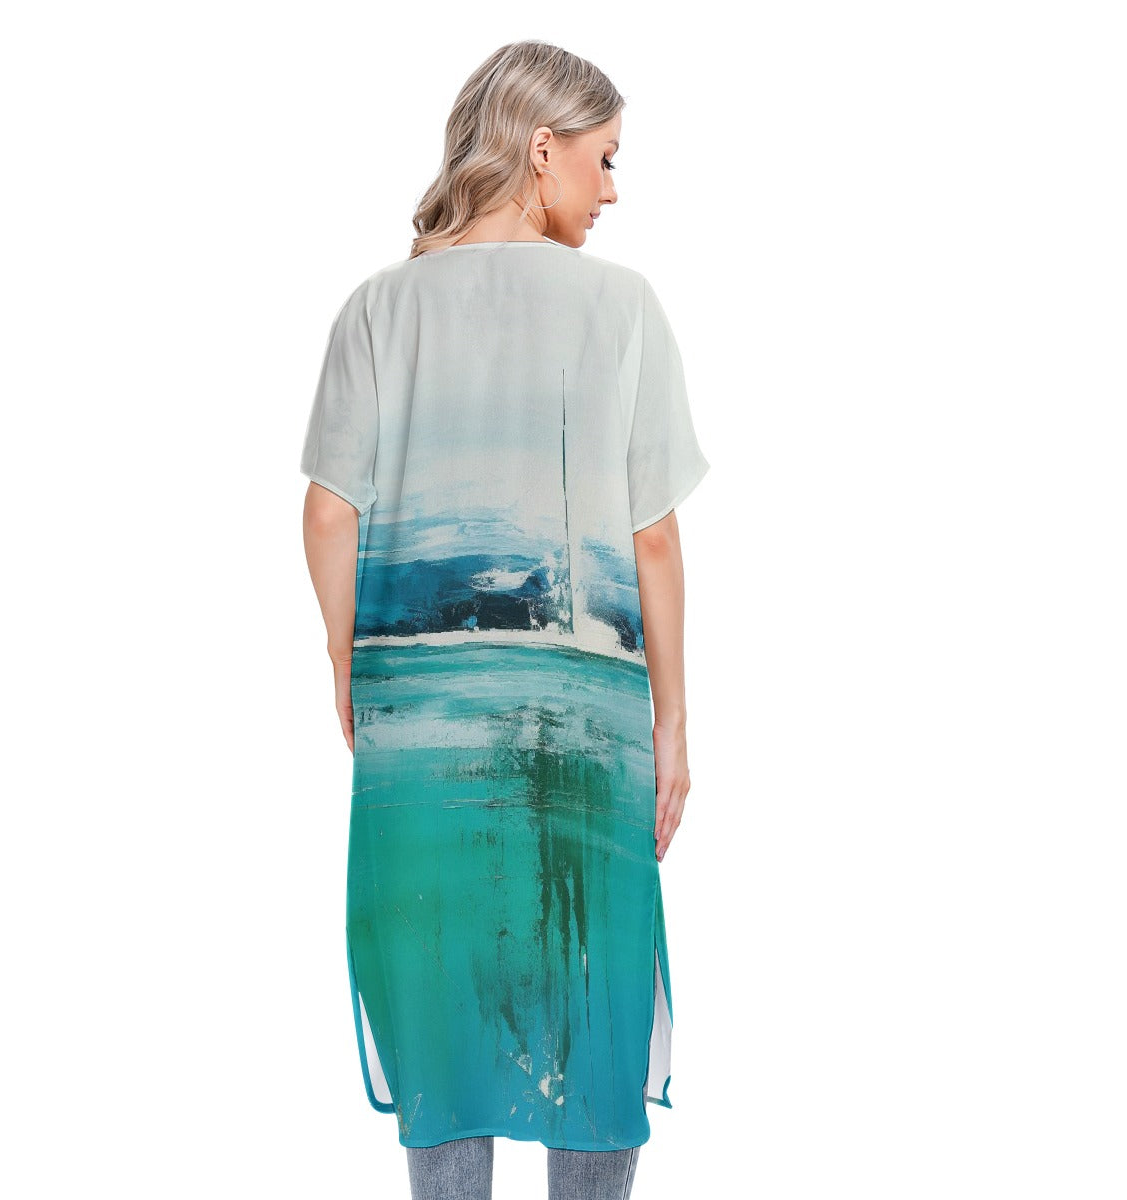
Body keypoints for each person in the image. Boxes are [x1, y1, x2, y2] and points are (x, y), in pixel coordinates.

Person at [300, 40, 709, 1200]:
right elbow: (654, 537)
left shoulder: (378, 309)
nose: (613, 188)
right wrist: (673, 723)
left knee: (439, 994)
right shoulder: (621, 308)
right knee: (593, 995)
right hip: (586, 726)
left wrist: (345, 661)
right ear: (542, 150)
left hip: (418, 722)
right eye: (605, 158)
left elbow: (328, 514)